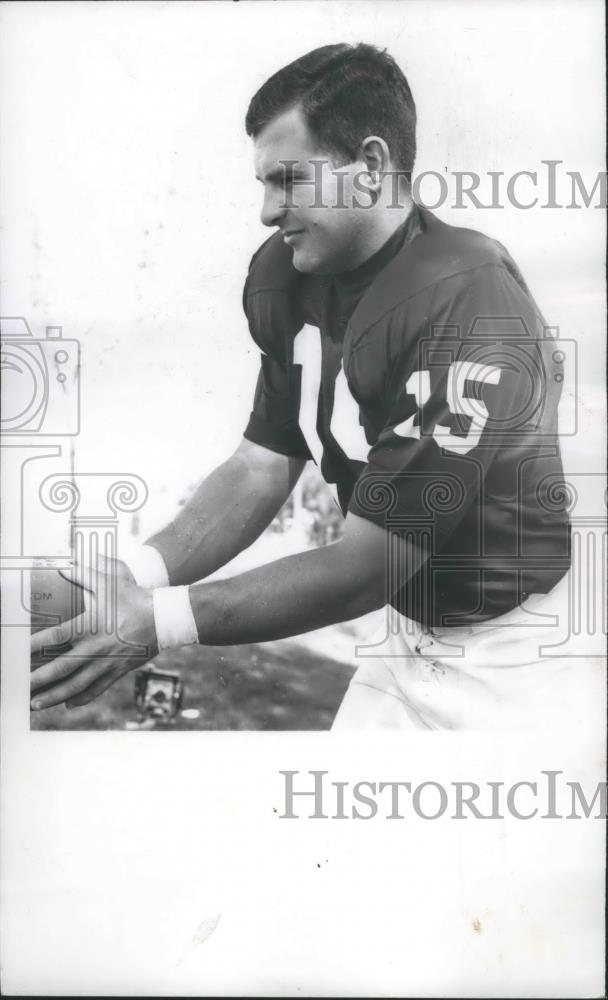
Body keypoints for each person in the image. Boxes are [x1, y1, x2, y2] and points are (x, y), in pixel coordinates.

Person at [30, 43, 600, 730]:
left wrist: (160, 622)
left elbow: (371, 562)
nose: (268, 211)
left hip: (521, 657)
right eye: (263, 183)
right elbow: (260, 465)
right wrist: (131, 580)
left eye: (289, 179)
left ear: (371, 166)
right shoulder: (286, 275)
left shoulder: (467, 299)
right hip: (404, 636)